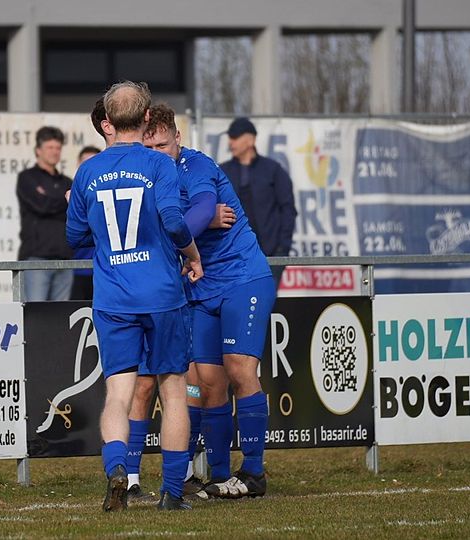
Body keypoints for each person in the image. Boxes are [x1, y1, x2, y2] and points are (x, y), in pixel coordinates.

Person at [66, 81, 203, 511]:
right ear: (146, 118)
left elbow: (74, 235)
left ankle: (117, 471)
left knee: (118, 394)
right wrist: (193, 254)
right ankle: (173, 493)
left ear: (108, 121)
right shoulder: (159, 164)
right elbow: (175, 222)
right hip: (162, 295)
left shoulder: (88, 171)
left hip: (113, 298)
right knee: (173, 391)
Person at [143, 104, 274, 500]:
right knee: (207, 381)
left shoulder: (195, 166)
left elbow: (203, 207)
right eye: (149, 147)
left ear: (177, 139)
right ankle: (219, 475)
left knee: (239, 369)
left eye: (163, 145)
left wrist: (183, 229)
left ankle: (253, 472)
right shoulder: (148, 177)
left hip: (242, 279)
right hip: (200, 286)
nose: (156, 153)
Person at [219, 117, 297, 286]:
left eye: (235, 137)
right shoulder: (222, 171)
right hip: (233, 256)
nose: (231, 142)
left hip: (270, 255)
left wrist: (282, 248)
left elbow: (288, 209)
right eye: (230, 137)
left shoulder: (273, 170)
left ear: (250, 140)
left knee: (266, 299)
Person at [16, 126, 73, 302]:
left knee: (61, 314)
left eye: (58, 148)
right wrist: (64, 201)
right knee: (35, 312)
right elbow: (41, 206)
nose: (54, 152)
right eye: (50, 147)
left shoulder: (67, 182)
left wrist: (49, 199)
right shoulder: (27, 178)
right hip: (36, 258)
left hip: (65, 258)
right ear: (38, 150)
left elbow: (75, 210)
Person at [70, 143, 104, 301]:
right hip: (76, 269)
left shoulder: (108, 191)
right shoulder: (71, 192)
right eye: (85, 163)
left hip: (105, 269)